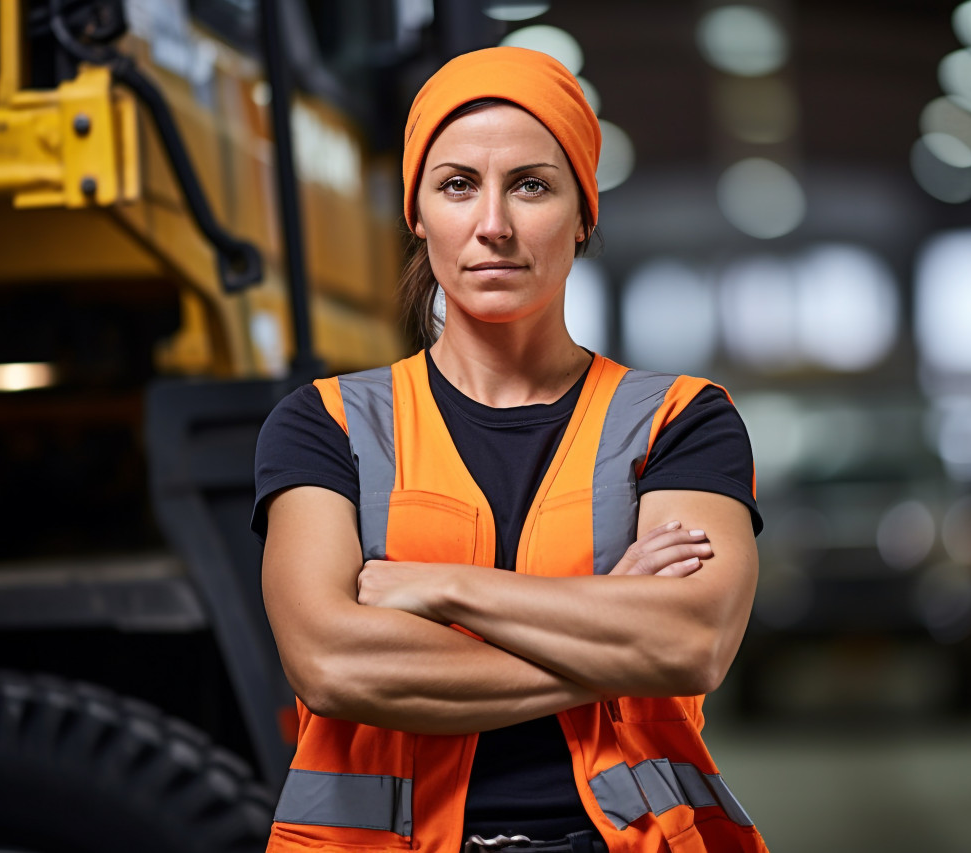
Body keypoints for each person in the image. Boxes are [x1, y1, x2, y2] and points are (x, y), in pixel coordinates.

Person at [253, 46, 769, 853]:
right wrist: (611, 633)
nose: (493, 224)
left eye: (531, 185)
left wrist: (439, 587)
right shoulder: (327, 425)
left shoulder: (680, 419)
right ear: (418, 213)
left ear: (583, 212)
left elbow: (689, 642)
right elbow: (333, 662)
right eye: (457, 185)